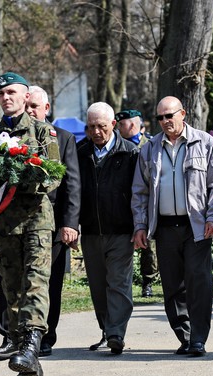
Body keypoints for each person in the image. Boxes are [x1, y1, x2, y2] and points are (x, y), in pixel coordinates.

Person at [0, 84, 80, 358]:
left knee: (38, 284)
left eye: (11, 92)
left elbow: (58, 179)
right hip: (4, 224)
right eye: (1, 94)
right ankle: (16, 341)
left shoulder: (45, 133)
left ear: (26, 98)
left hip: (38, 221)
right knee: (10, 287)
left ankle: (34, 344)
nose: (6, 97)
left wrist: (69, 223)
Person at [131, 96, 213, 356]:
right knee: (172, 285)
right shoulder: (149, 148)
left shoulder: (206, 143)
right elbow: (140, 192)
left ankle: (198, 338)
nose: (165, 122)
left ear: (182, 114)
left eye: (169, 116)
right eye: (160, 117)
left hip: (197, 226)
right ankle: (184, 335)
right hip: (164, 227)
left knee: (199, 281)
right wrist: (140, 226)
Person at [77, 102, 138, 354]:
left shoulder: (131, 153)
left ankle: (116, 333)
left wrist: (140, 225)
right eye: (91, 127)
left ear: (113, 125)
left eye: (101, 126)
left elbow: (139, 193)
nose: (97, 132)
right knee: (98, 285)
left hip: (122, 230)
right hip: (91, 230)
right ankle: (107, 328)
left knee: (119, 282)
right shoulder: (79, 152)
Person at [116, 108, 157, 299]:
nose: (118, 127)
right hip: (124, 202)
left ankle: (148, 281)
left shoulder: (150, 144)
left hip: (145, 201)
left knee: (148, 246)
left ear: (132, 124)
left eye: (121, 124)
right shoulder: (118, 145)